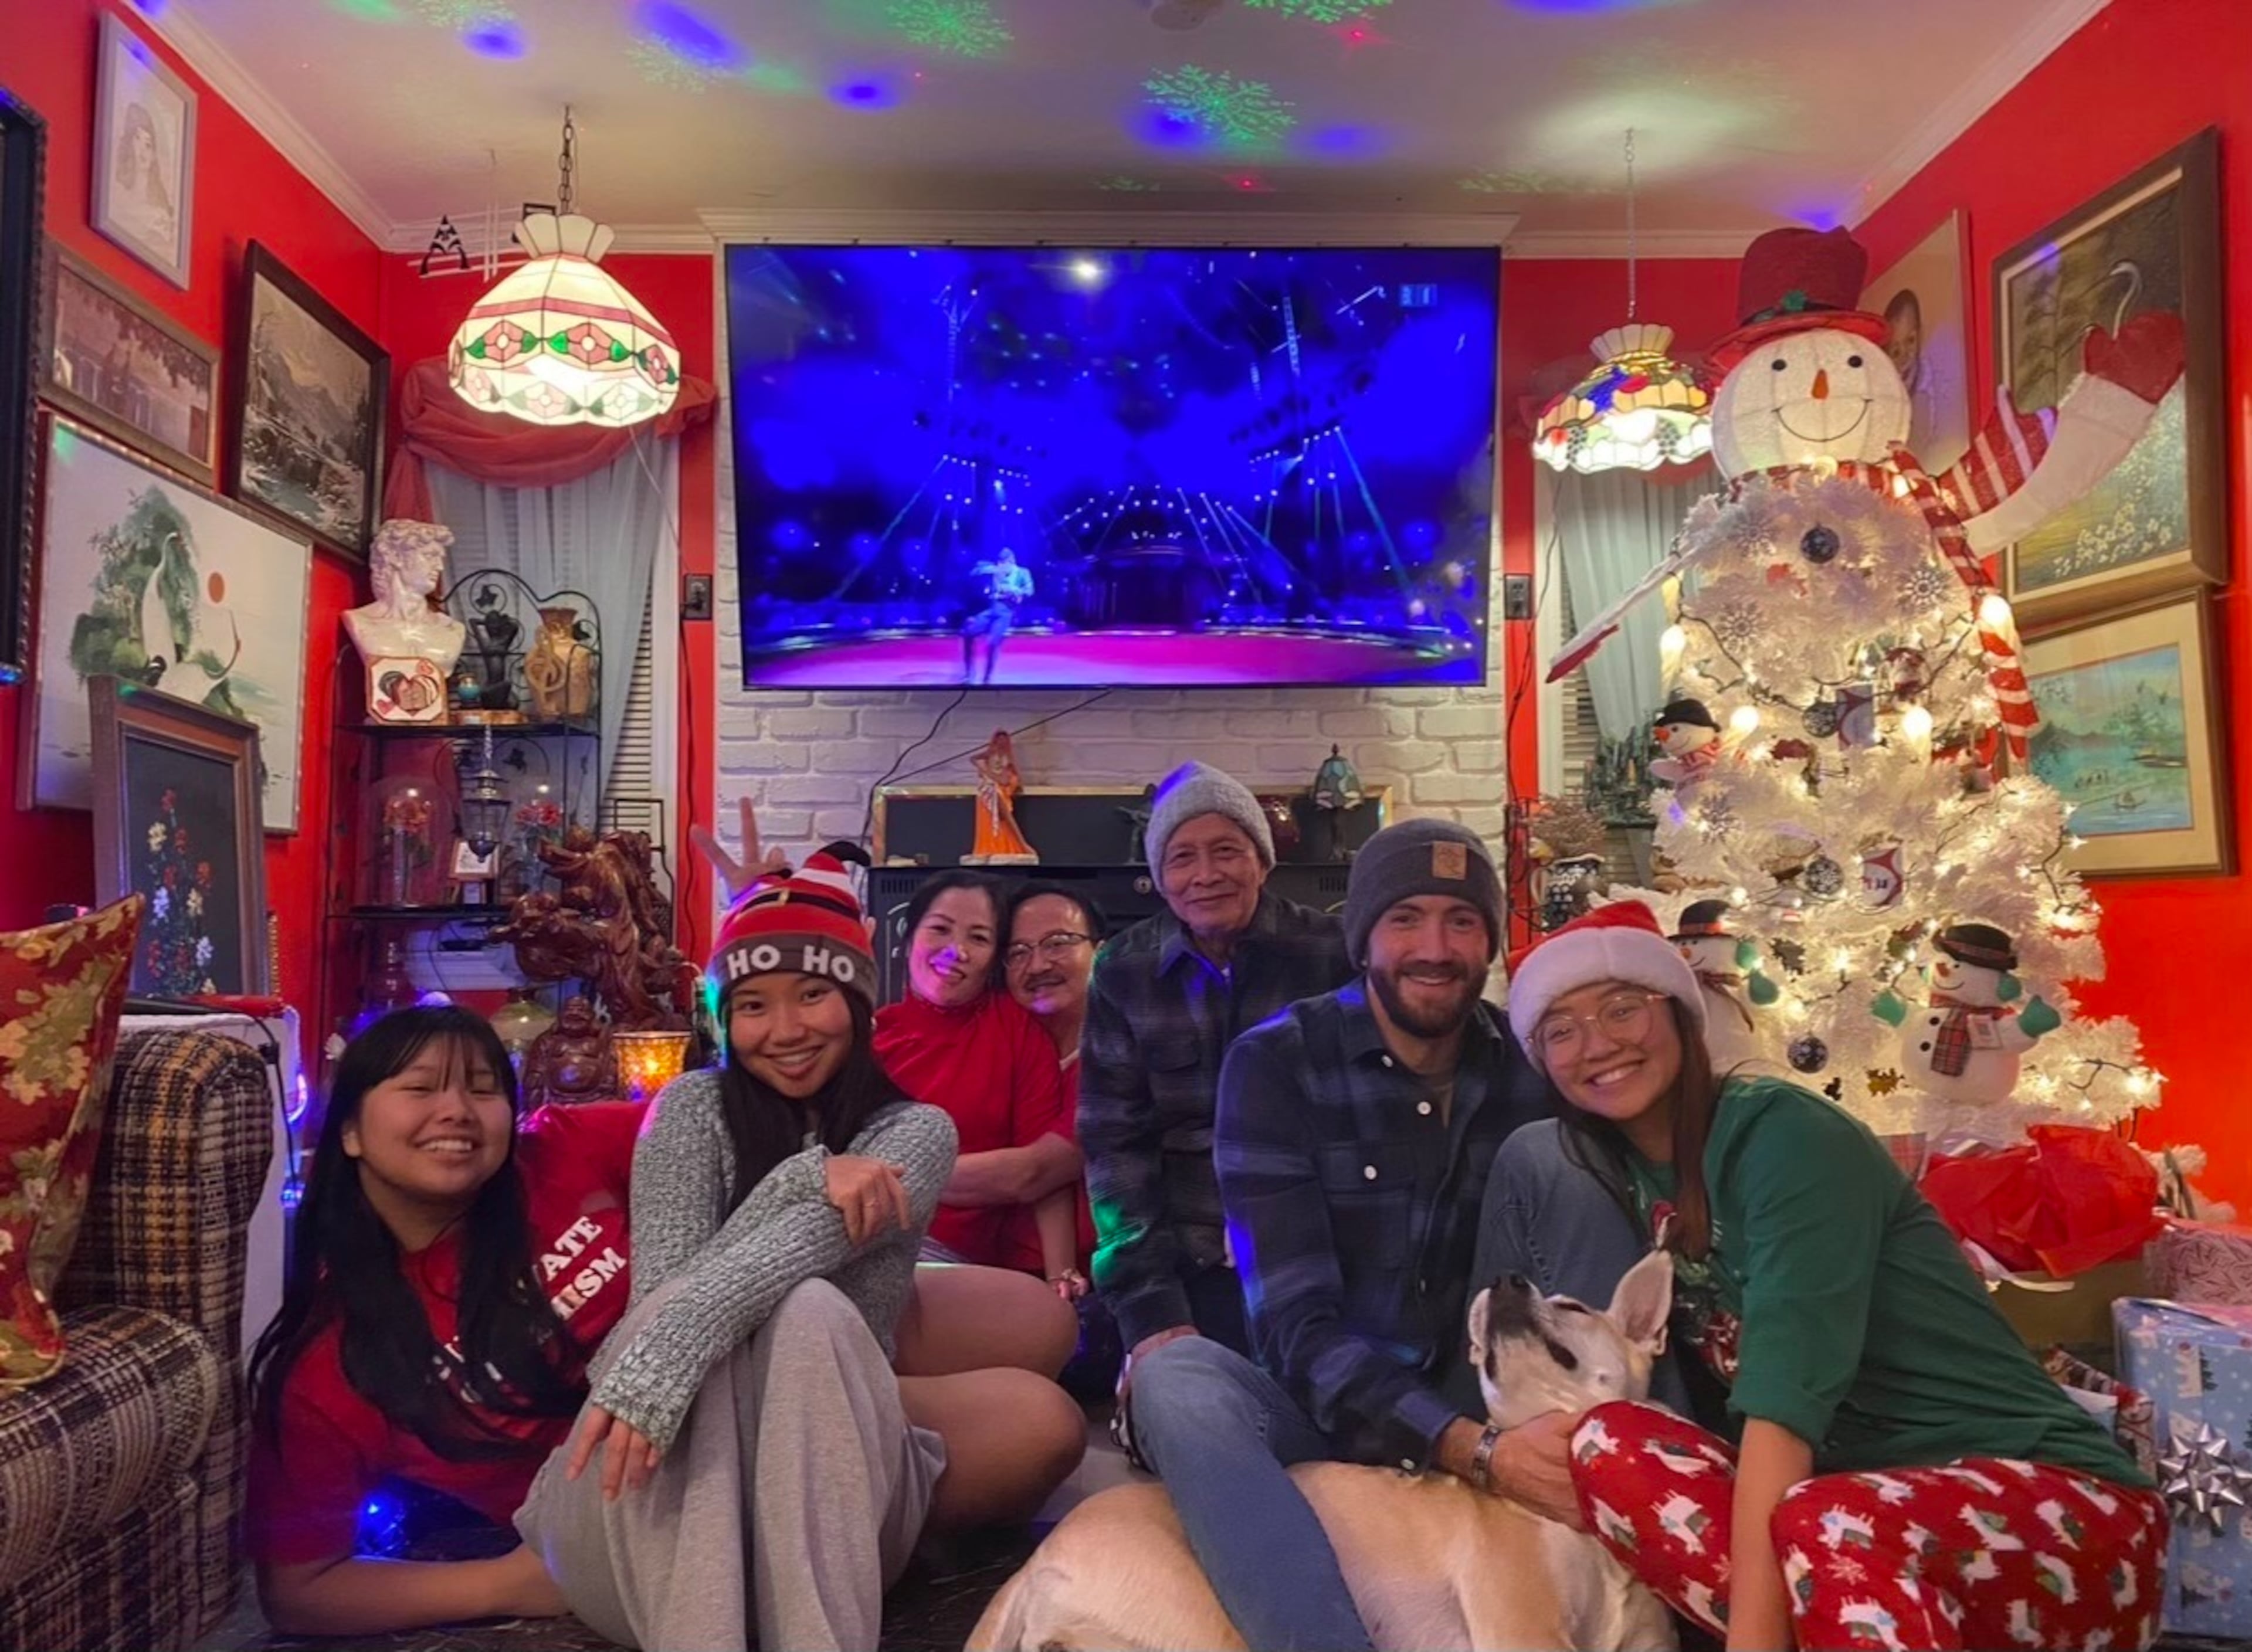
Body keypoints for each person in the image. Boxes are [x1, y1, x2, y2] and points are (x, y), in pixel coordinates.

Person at [1501, 901, 2165, 1652]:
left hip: (2060, 1523)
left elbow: (1784, 1407)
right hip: (1850, 1546)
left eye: (1623, 1008)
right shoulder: (1621, 1172)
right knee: (1608, 1443)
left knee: (1826, 1519)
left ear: (1681, 1014)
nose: (1598, 1044)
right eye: (1562, 1029)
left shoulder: (1784, 1136)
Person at [527, 849, 1082, 1650]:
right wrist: (808, 1181)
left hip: (823, 1470)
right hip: (662, 1495)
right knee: (731, 1341)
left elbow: (760, 1309)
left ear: (856, 1003)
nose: (784, 1031)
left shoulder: (914, 1134)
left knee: (808, 1309)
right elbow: (665, 1310)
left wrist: (800, 1193)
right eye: (752, 1004)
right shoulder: (689, 1110)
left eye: (813, 994)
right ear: (725, 1017)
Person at [1121, 820, 1561, 1651]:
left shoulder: (1528, 1072)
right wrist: (1467, 1447)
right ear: (1362, 940)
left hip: (1482, 1399)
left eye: (1462, 920)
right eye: (1406, 919)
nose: (1435, 947)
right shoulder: (1276, 1064)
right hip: (1322, 1408)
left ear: (1491, 942)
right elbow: (1293, 1329)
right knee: (1176, 1379)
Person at [245, 1006, 638, 1638]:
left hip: (730, 1410)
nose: (457, 1109)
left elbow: (716, 1109)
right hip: (619, 1522)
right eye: (421, 1088)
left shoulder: (563, 1150)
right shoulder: (333, 1361)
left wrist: (817, 1173)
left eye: (482, 1088)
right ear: (349, 1130)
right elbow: (300, 1590)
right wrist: (512, 1584)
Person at [1078, 760, 1353, 1369]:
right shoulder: (1124, 969)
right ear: (1160, 876)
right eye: (1182, 858)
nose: (1206, 875)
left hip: (1319, 1248)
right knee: (1185, 1397)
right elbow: (1115, 1149)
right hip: (1188, 1258)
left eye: (1226, 850)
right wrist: (1153, 1311)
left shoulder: (1333, 954)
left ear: (1261, 859)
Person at [874, 871, 1087, 1309]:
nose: (957, 951)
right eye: (939, 929)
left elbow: (1044, 1173)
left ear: (993, 958)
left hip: (955, 1262)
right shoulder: (873, 1037)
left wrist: (1060, 1278)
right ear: (909, 936)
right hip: (861, 1240)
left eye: (979, 937)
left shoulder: (1014, 1027)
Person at [962, 546, 1032, 684]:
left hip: (1005, 612)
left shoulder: (1023, 573)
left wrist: (1015, 591)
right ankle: (969, 674)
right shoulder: (995, 570)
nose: (1002, 566)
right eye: (1000, 563)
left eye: (1005, 563)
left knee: (992, 642)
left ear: (1012, 561)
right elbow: (974, 572)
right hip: (990, 610)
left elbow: (1030, 591)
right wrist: (991, 569)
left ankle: (987, 678)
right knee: (967, 633)